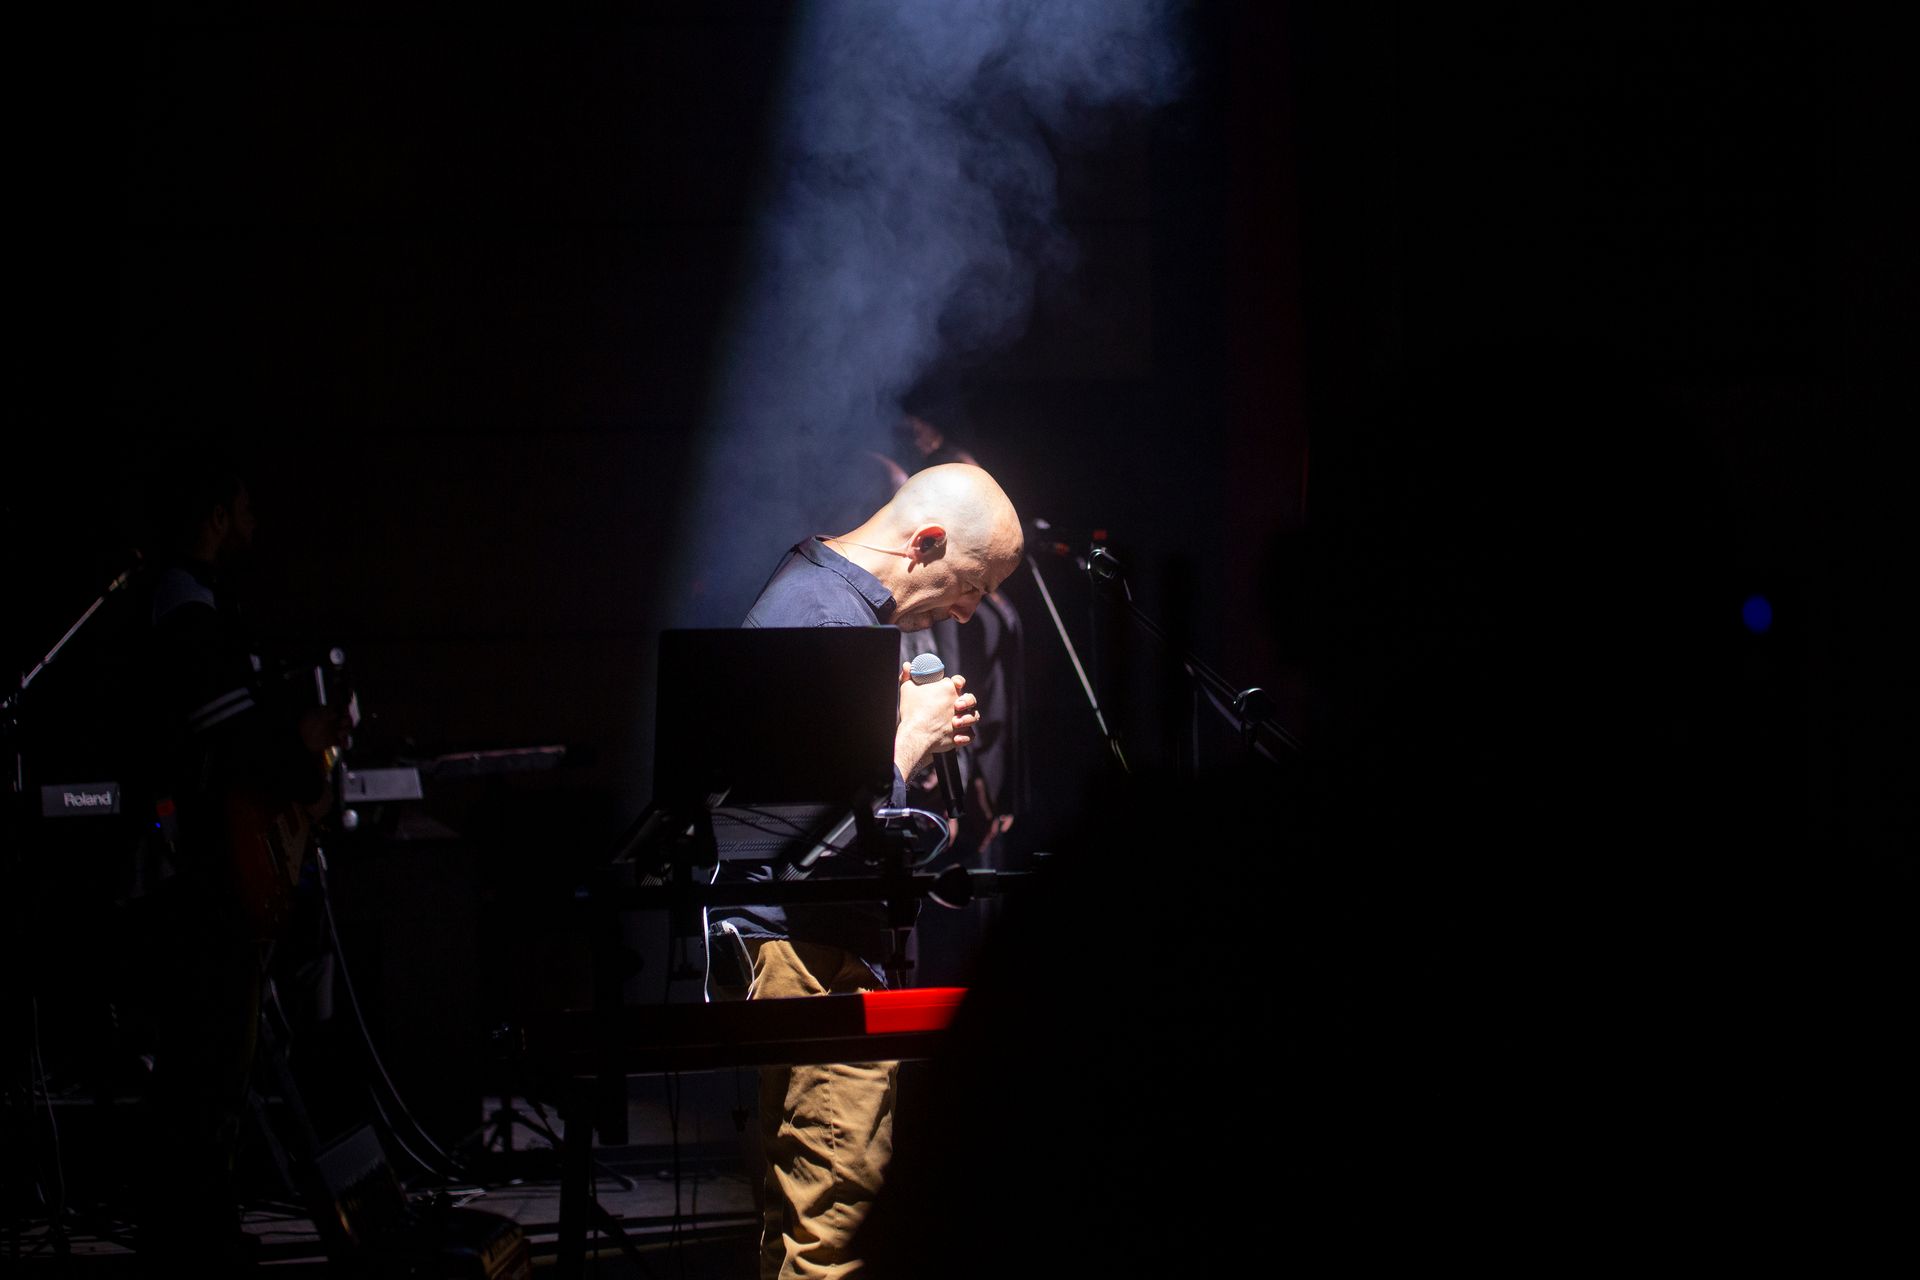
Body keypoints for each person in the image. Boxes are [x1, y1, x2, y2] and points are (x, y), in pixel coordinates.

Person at [721, 462, 1024, 1280]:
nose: (970, 610)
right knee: (836, 1230)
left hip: (807, 950)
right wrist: (906, 746)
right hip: (810, 958)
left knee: (803, 1218)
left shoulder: (831, 602)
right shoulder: (824, 617)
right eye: (972, 585)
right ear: (926, 542)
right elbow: (805, 838)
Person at [125, 449, 349, 1274]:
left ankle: (196, 1228)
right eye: (244, 510)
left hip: (219, 871)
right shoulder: (187, 611)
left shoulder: (199, 607)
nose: (255, 526)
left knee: (217, 1060)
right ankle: (193, 1238)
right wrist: (301, 752)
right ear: (216, 516)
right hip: (210, 878)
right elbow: (234, 744)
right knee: (209, 1062)